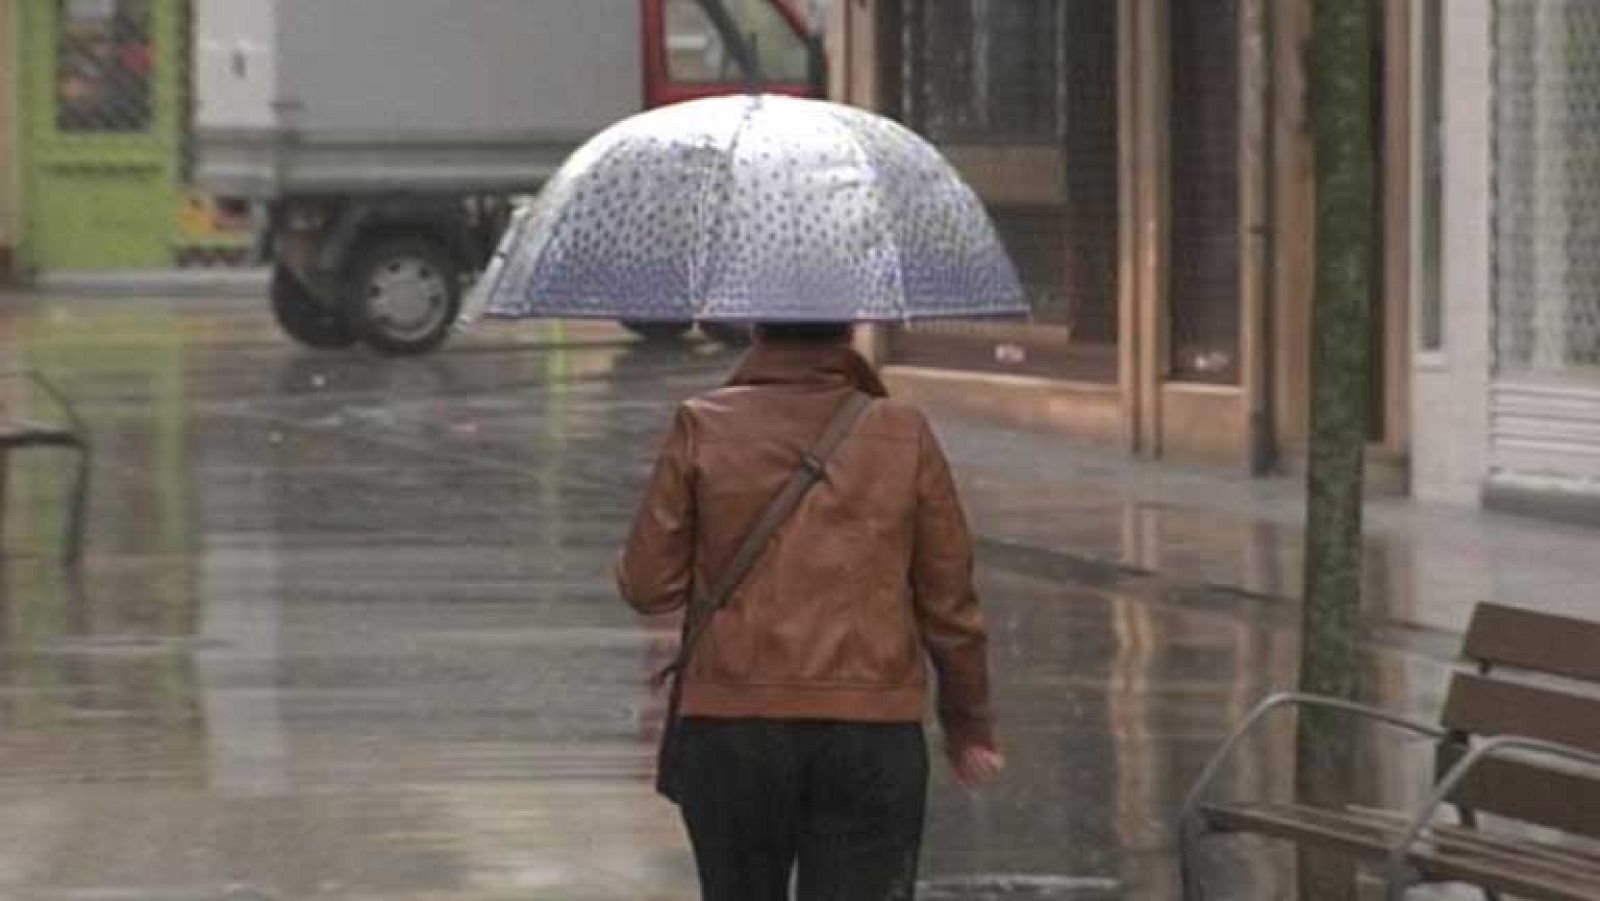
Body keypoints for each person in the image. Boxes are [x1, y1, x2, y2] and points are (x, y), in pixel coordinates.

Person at [617, 322, 1004, 901]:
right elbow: (949, 602)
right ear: (849, 331)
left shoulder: (702, 423)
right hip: (870, 729)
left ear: (755, 328)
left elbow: (649, 586)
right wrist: (967, 720)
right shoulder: (904, 432)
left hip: (732, 725)